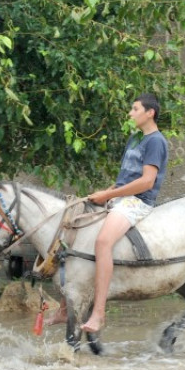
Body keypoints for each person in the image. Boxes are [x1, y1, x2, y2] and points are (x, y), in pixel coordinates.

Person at [64, 93, 167, 333]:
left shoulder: (155, 141)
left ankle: (98, 314)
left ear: (149, 113)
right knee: (75, 229)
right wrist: (106, 191)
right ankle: (64, 308)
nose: (130, 114)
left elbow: (146, 182)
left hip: (138, 202)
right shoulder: (134, 139)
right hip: (119, 197)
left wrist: (108, 197)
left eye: (134, 109)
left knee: (102, 242)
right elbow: (125, 178)